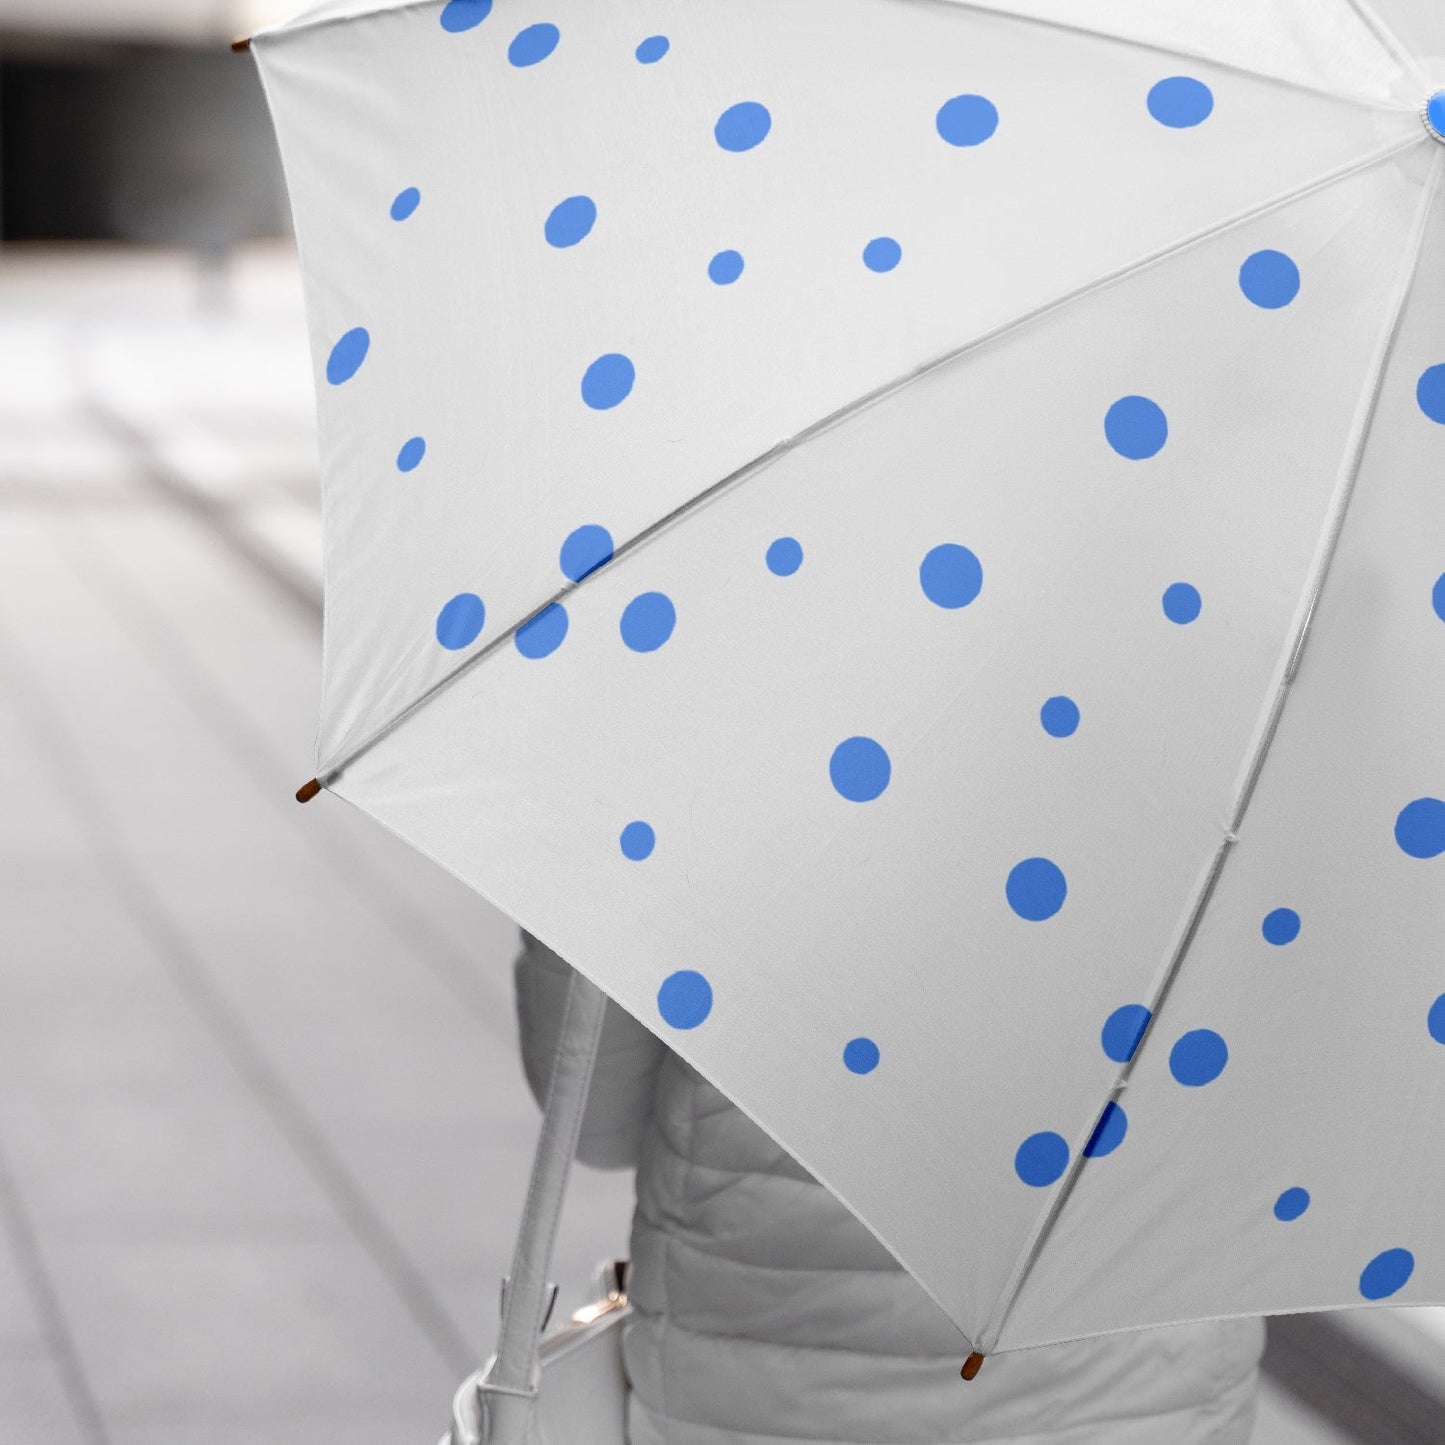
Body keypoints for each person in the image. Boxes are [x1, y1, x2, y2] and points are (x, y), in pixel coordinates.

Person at [515, 932, 1264, 1444]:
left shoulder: (686, 722)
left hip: (756, 1385)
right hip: (1130, 1385)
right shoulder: (1264, 730)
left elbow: (594, 1115)